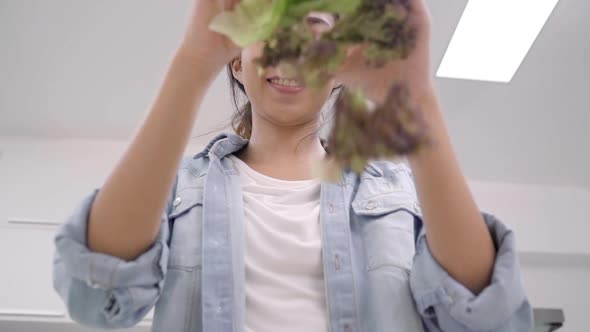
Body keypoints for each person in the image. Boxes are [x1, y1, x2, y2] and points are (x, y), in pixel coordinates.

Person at [52, 0, 534, 331]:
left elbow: (487, 317)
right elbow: (95, 297)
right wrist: (191, 64)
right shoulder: (174, 189)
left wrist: (418, 98)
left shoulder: (398, 196)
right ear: (237, 61)